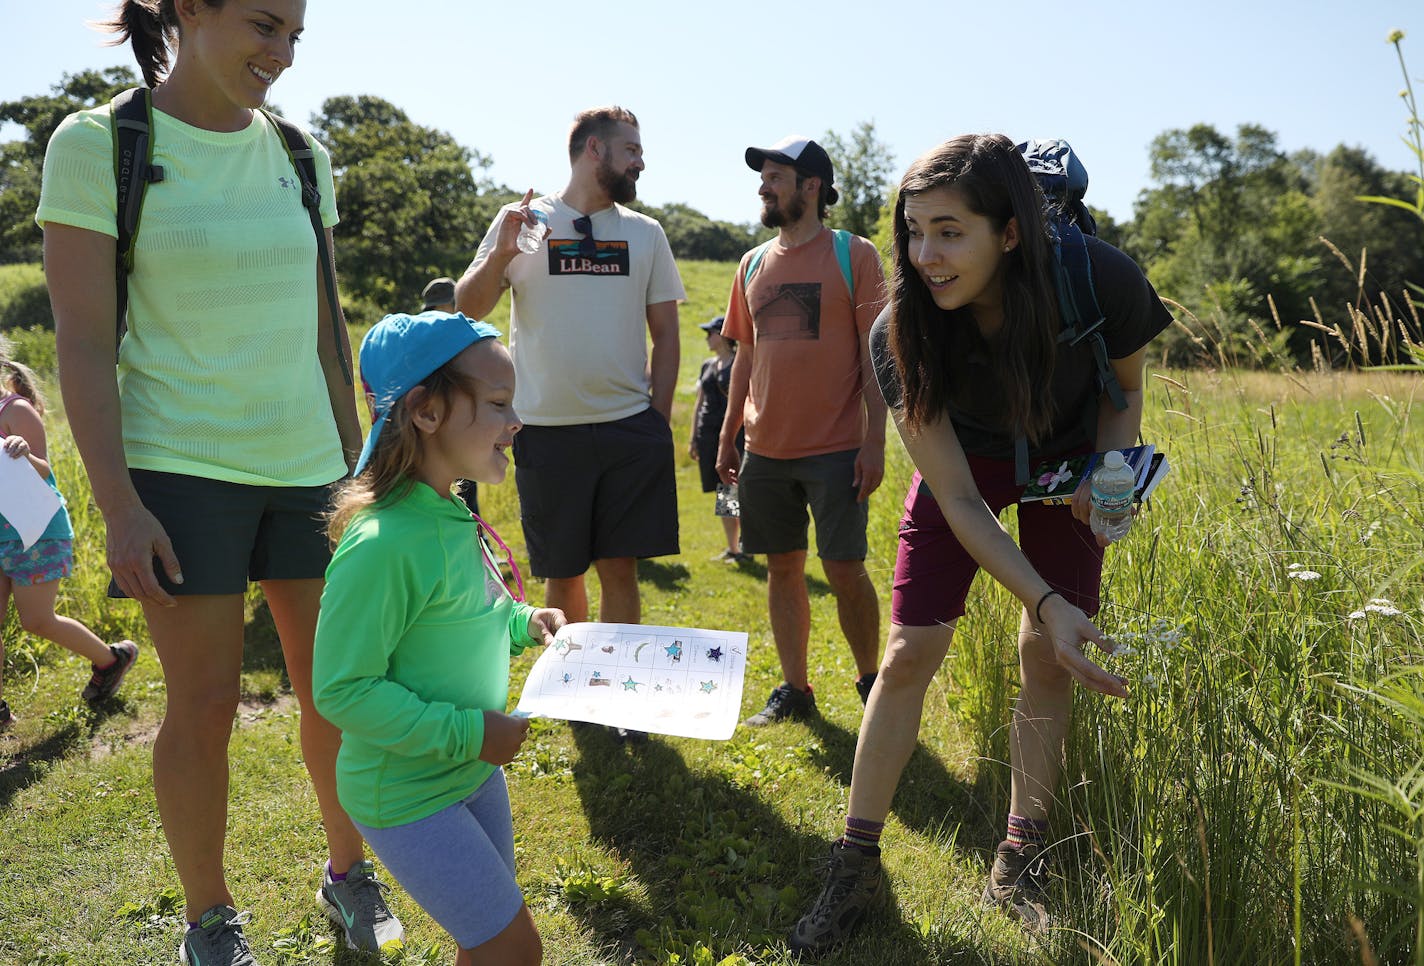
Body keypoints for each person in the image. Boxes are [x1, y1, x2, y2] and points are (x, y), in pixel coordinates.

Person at [36, 2, 401, 961]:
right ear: (190, 8)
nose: (280, 54)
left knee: (336, 690)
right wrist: (118, 503)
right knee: (202, 706)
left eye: (295, 37)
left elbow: (329, 336)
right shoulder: (98, 143)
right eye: (263, 25)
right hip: (180, 470)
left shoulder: (301, 153)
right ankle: (209, 919)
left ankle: (346, 874)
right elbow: (79, 340)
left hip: (309, 469)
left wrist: (361, 479)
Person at [788, 133, 1170, 954]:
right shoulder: (899, 332)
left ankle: (1018, 861)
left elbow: (1127, 389)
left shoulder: (1103, 280)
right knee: (905, 653)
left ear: (1011, 231)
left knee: (1049, 654)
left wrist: (1109, 476)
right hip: (968, 462)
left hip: (1069, 453)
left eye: (950, 231)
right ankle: (853, 865)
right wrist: (1043, 595)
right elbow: (957, 496)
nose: (925, 255)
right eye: (914, 229)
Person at [313, 311, 563, 966]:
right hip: (406, 792)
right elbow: (343, 690)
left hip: (471, 773)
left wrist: (523, 622)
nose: (517, 423)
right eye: (500, 404)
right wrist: (471, 734)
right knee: (514, 949)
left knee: (483, 942)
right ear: (426, 411)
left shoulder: (453, 509)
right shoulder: (383, 543)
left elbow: (472, 608)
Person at [455, 106, 684, 741]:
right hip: (545, 430)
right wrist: (500, 250)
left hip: (628, 427)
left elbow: (666, 335)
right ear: (591, 151)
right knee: (563, 571)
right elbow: (468, 311)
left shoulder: (646, 233)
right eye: (630, 149)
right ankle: (580, 691)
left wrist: (656, 419)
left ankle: (626, 703)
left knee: (620, 569)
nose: (640, 160)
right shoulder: (525, 223)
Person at [715, 136, 888, 727]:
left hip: (837, 449)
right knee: (781, 567)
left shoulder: (854, 255)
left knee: (844, 569)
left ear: (811, 186)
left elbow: (876, 355)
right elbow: (743, 353)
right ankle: (795, 690)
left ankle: (872, 686)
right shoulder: (752, 263)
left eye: (775, 177)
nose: (763, 186)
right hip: (765, 450)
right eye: (762, 178)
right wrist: (728, 432)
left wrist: (875, 440)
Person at [0, 337, 139, 730]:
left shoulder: (16, 410)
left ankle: (112, 660)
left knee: (37, 620)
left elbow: (45, 470)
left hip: (35, 530)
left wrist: (22, 451)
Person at [688, 315, 746, 563]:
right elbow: (699, 404)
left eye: (710, 332)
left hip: (734, 435)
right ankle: (733, 547)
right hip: (708, 435)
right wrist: (693, 438)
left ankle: (744, 546)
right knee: (723, 493)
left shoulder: (739, 363)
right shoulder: (707, 365)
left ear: (723, 335)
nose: (707, 338)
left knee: (733, 490)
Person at [422, 276, 480, 514]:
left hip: (454, 425)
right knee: (453, 492)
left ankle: (475, 538)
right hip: (445, 426)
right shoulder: (444, 336)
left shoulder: (458, 336)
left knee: (463, 491)